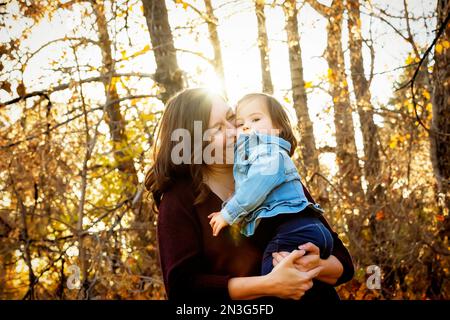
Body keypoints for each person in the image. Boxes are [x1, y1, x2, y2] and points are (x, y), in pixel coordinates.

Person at [145, 88, 354, 301]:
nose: (235, 132)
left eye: (231, 119)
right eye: (217, 129)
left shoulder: (269, 169)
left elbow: (343, 263)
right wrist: (269, 285)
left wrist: (315, 265)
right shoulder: (179, 200)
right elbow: (183, 288)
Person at [208, 93, 333, 276]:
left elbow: (257, 185)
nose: (247, 126)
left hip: (294, 229)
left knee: (272, 277)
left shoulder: (271, 153)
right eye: (240, 124)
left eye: (256, 119)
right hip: (299, 230)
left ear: (278, 127)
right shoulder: (253, 158)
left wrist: (229, 213)